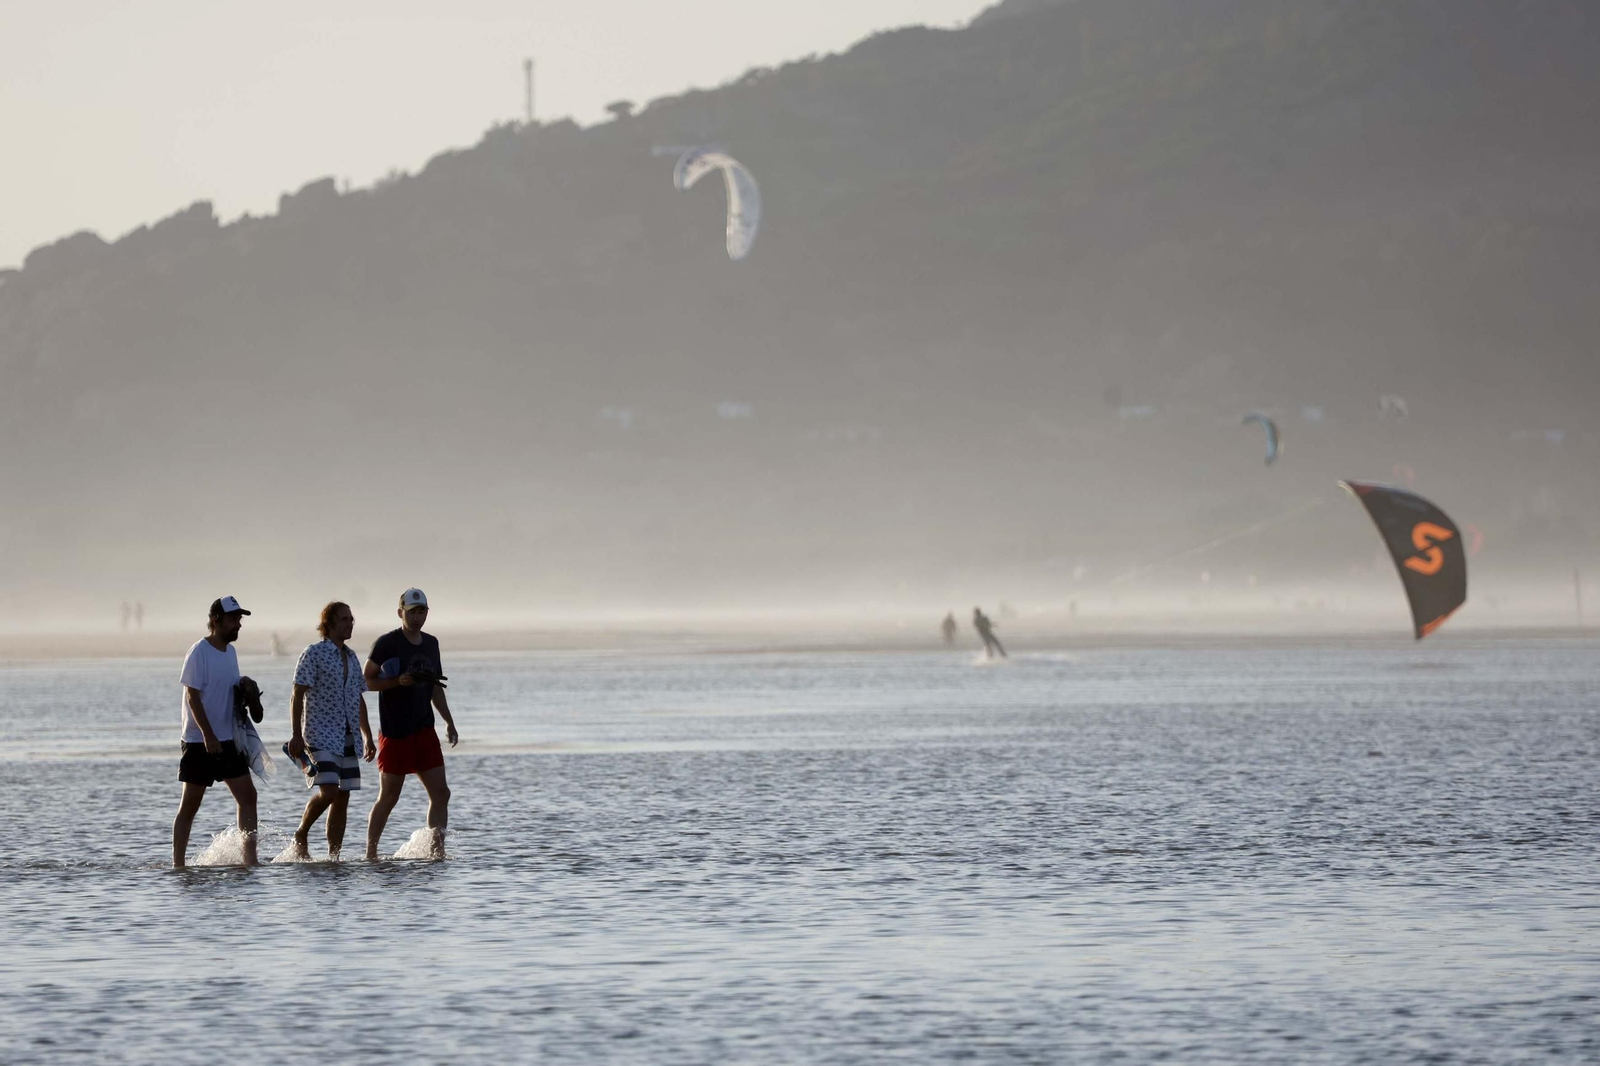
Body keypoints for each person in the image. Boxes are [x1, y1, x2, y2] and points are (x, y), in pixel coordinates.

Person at [363, 588, 459, 860]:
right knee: (389, 797)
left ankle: (436, 851)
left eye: (421, 612)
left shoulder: (431, 643)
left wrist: (448, 722)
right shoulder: (387, 643)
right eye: (411, 612)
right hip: (395, 732)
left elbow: (435, 687)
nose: (417, 618)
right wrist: (396, 682)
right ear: (400, 612)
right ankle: (371, 853)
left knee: (441, 793)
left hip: (424, 730)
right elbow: (367, 681)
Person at [172, 596, 258, 866]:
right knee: (190, 805)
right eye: (234, 619)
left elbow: (228, 690)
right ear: (216, 620)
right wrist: (207, 735)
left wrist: (245, 687)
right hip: (200, 740)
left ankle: (249, 860)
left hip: (228, 739)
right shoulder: (199, 651)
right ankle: (178, 864)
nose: (239, 625)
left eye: (240, 619)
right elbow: (192, 696)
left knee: (248, 796)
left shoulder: (230, 652)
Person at [285, 602, 375, 860]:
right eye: (345, 619)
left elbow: (357, 698)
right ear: (330, 624)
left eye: (351, 619)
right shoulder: (313, 653)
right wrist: (295, 734)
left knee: (343, 796)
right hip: (319, 734)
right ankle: (301, 833)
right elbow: (297, 693)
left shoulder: (351, 656)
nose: (350, 623)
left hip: (348, 736)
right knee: (329, 791)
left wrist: (367, 735)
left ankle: (333, 857)